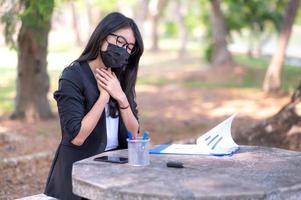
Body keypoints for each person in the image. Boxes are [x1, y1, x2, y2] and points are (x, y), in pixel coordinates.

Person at [44, 12, 143, 199]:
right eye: (120, 41)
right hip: (77, 177)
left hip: (116, 173)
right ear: (102, 37)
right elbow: (77, 137)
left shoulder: (120, 76)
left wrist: (121, 98)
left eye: (129, 47)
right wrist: (104, 97)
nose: (124, 49)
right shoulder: (73, 76)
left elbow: (134, 134)